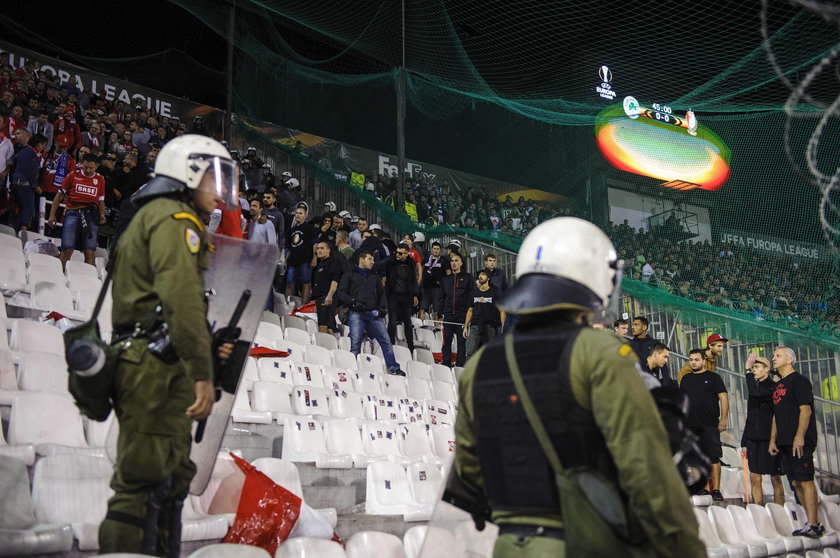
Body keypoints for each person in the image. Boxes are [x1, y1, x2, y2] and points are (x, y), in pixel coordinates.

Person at [454, 217, 705, 558]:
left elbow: (469, 473)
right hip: (583, 543)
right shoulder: (600, 353)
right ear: (595, 279)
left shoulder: (480, 364)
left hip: (511, 546)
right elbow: (647, 472)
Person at [98, 135, 236, 556]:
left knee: (170, 481)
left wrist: (206, 348)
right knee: (141, 489)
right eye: (214, 180)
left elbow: (166, 303)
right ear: (188, 174)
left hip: (162, 364)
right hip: (151, 369)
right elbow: (179, 299)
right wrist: (202, 371)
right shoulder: (173, 219)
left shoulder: (169, 217)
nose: (221, 193)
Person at [769, 347, 824, 538]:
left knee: (805, 480)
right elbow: (776, 415)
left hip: (799, 441)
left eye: (778, 356)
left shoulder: (799, 381)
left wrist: (799, 436)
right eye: (774, 355)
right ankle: (810, 523)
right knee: (795, 481)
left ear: (789, 360)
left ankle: (815, 525)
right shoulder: (779, 385)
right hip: (784, 442)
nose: (773, 358)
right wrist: (773, 439)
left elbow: (805, 410)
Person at [336, 250, 404, 376]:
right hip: (356, 313)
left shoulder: (374, 276)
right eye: (370, 259)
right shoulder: (349, 274)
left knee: (386, 341)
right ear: (361, 259)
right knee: (355, 343)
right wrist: (353, 302)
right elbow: (341, 293)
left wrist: (383, 307)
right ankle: (353, 368)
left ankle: (393, 367)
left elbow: (381, 294)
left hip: (373, 315)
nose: (373, 262)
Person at [681, 348, 729, 501]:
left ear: (703, 360)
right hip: (690, 425)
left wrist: (723, 419)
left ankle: (716, 490)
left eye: (696, 359)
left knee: (714, 458)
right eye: (691, 359)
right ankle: (700, 487)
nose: (693, 362)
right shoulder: (686, 379)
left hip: (709, 424)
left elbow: (724, 397)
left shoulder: (714, 378)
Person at [47, 152, 106, 268]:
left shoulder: (100, 179)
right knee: (67, 248)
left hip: (91, 215)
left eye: (91, 168)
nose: (88, 170)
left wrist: (102, 214)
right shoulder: (72, 175)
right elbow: (58, 196)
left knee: (90, 251)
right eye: (86, 167)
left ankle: (88, 281)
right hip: (73, 213)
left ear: (96, 167)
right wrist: (52, 215)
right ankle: (59, 275)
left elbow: (101, 200)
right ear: (82, 164)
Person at [741, 353, 784, 506]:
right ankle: (758, 508)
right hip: (753, 438)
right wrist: (744, 441)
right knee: (754, 475)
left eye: (757, 367)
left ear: (767, 369)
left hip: (770, 439)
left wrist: (746, 370)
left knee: (775, 477)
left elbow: (755, 392)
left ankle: (780, 509)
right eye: (752, 368)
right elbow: (750, 416)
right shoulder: (755, 387)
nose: (753, 370)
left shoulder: (773, 387)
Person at [380, 243, 418, 353]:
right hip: (393, 295)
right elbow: (382, 267)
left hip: (406, 295)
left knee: (407, 321)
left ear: (406, 254)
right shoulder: (391, 261)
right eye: (397, 252)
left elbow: (413, 280)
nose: (398, 255)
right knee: (392, 321)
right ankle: (389, 344)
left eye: (400, 253)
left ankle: (411, 346)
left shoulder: (411, 263)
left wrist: (415, 294)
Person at [463, 269, 504, 359]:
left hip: (490, 326)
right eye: (479, 275)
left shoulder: (495, 293)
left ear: (488, 278)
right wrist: (466, 326)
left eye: (483, 274)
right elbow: (470, 310)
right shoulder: (473, 293)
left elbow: (502, 311)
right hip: (475, 325)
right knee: (470, 353)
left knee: (491, 354)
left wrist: (502, 327)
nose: (480, 276)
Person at [440, 251, 472, 367]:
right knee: (446, 342)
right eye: (452, 261)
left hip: (462, 316)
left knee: (461, 344)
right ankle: (446, 365)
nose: (454, 263)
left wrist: (469, 313)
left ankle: (459, 367)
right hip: (448, 315)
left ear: (461, 263)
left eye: (456, 261)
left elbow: (470, 296)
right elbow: (441, 297)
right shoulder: (445, 280)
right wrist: (440, 313)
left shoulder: (468, 278)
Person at [10, 129, 45, 231]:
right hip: (24, 183)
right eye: (43, 145)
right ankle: (23, 231)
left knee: (21, 207)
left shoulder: (25, 151)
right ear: (38, 144)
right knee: (27, 207)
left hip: (17, 181)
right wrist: (35, 185)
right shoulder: (29, 152)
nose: (43, 148)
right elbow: (29, 171)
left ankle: (16, 230)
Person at [286, 203, 318, 303]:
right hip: (293, 260)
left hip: (306, 260)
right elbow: (289, 247)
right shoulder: (291, 230)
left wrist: (314, 258)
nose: (297, 215)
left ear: (305, 215)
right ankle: (289, 305)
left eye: (300, 213)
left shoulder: (310, 228)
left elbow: (315, 245)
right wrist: (286, 260)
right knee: (290, 283)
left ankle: (304, 306)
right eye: (296, 213)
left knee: (306, 283)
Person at [311, 240, 344, 334]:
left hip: (327, 296)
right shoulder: (320, 264)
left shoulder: (333, 262)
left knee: (325, 324)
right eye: (317, 248)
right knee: (325, 323)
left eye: (322, 248)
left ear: (329, 250)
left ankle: (326, 345)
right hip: (320, 297)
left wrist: (329, 295)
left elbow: (335, 281)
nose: (319, 250)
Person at [419, 241, 449, 322]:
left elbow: (448, 273)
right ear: (431, 250)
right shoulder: (426, 259)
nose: (436, 250)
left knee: (436, 309)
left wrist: (446, 285)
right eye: (434, 249)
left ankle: (437, 328)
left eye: (437, 249)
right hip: (425, 287)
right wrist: (419, 280)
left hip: (437, 288)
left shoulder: (443, 260)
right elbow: (420, 269)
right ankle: (422, 326)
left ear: (440, 250)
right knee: (422, 308)